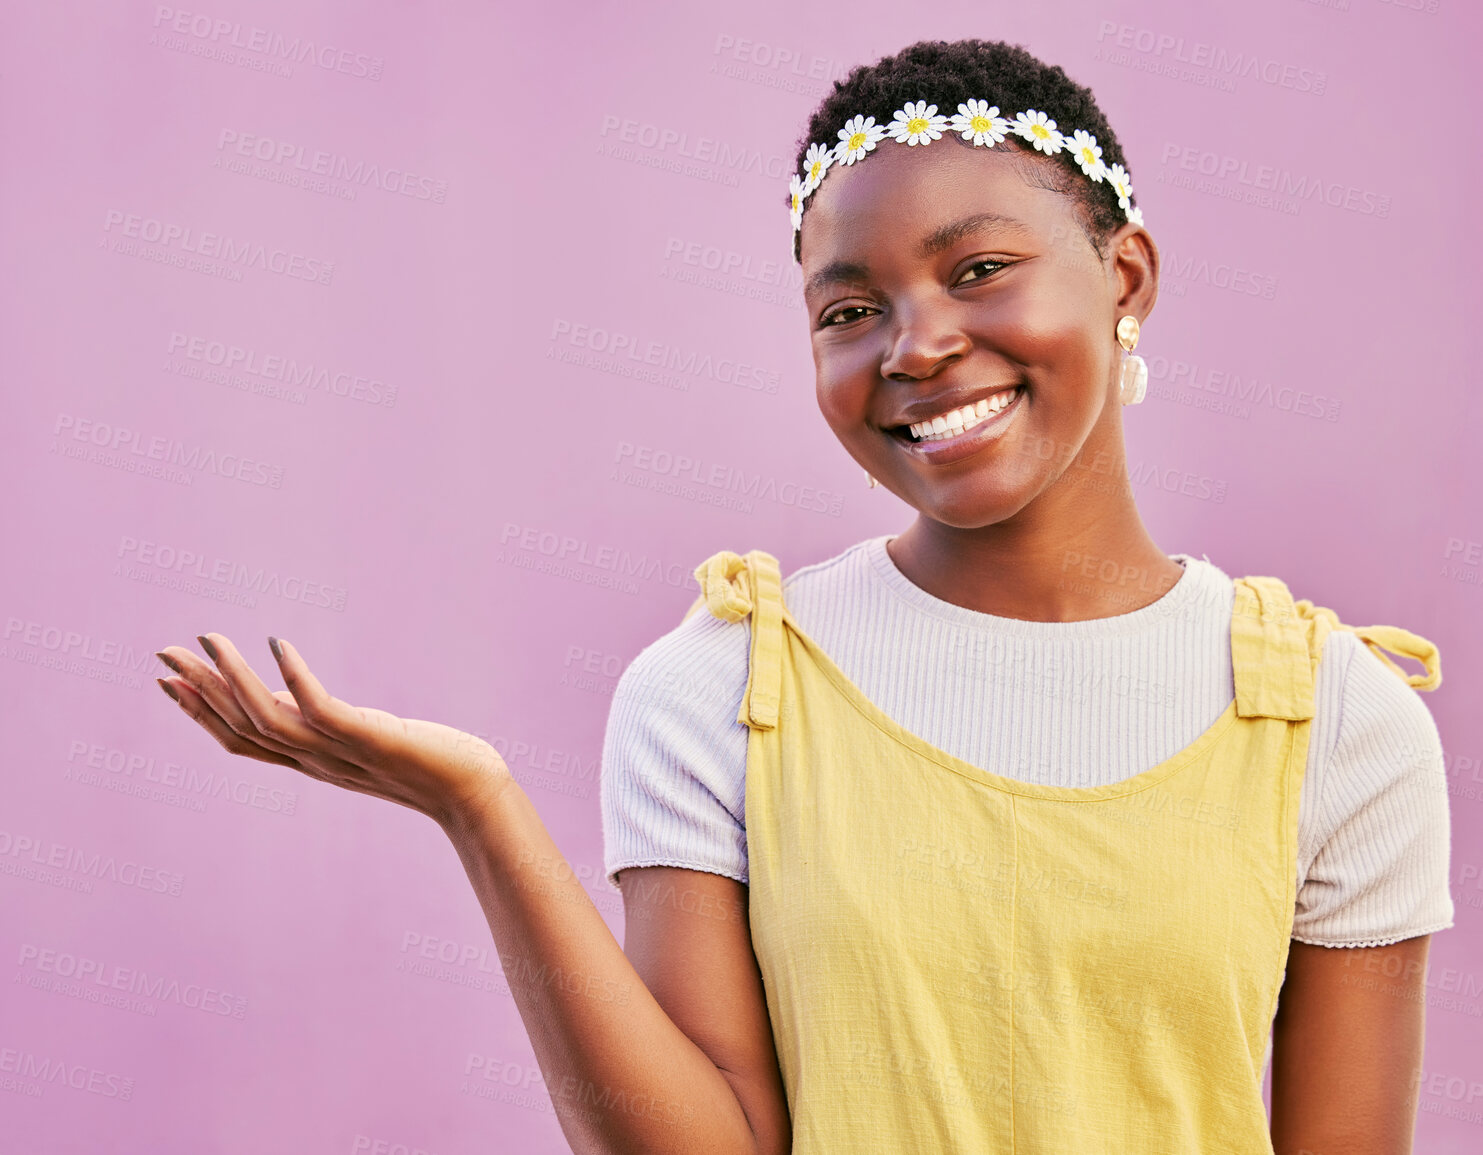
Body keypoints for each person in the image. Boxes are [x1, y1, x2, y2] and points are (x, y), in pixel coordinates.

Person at [154, 38, 1453, 1155]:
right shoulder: (724, 688)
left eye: (979, 269)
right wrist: (478, 808)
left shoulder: (1331, 720)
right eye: (849, 307)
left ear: (1125, 279)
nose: (917, 343)